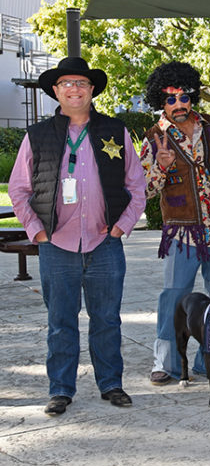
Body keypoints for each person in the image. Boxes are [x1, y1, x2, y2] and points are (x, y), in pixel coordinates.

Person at [8, 56, 146, 416]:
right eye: (66, 83)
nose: (74, 89)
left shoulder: (115, 132)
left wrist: (122, 225)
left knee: (107, 319)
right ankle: (61, 389)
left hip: (105, 244)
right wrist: (37, 231)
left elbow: (137, 185)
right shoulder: (37, 136)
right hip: (56, 245)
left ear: (91, 90)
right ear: (56, 91)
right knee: (61, 322)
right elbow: (19, 189)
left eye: (81, 83)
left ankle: (111, 384)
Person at [140, 61, 210, 385]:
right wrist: (161, 167)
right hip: (183, 230)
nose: (179, 105)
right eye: (170, 99)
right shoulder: (154, 138)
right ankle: (166, 363)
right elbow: (145, 191)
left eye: (184, 97)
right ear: (159, 102)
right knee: (174, 297)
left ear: (192, 96)